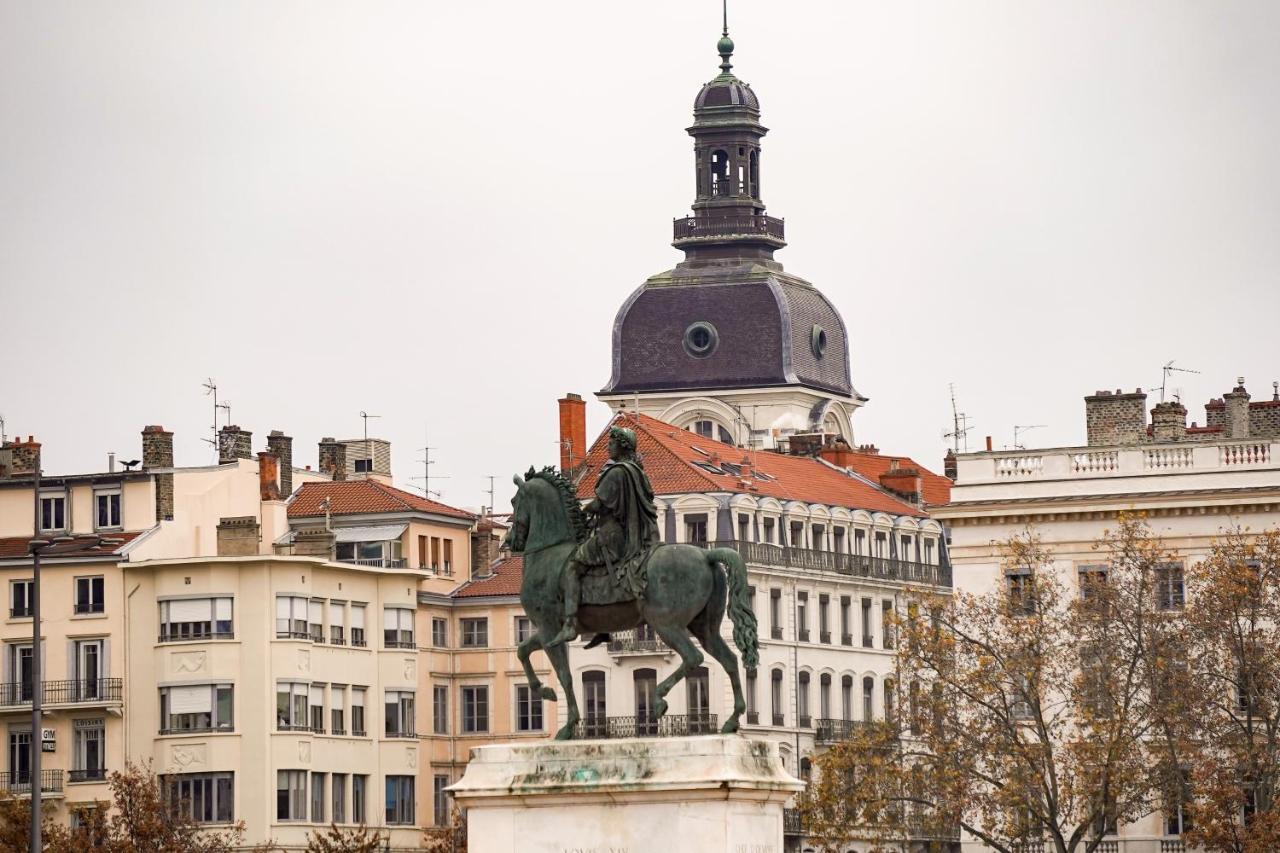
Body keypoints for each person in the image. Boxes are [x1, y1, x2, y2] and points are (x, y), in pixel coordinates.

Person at [547, 426, 659, 648]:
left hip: (612, 534)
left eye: (611, 443)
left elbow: (599, 503)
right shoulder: (637, 470)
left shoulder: (617, 472)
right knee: (601, 573)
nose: (608, 447)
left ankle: (570, 624)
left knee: (573, 566)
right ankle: (602, 626)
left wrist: (577, 513)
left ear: (621, 445)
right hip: (631, 533)